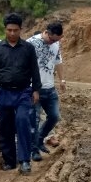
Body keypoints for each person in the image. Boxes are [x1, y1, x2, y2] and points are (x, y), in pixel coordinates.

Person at [0, 13, 41, 175]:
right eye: (9, 30)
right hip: (3, 92)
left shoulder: (28, 49)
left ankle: (24, 161)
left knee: (22, 121)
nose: (12, 33)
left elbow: (34, 70)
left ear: (20, 30)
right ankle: (10, 160)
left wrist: (36, 90)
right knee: (5, 127)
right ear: (5, 30)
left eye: (15, 30)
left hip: (24, 92)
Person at [27, 21, 65, 161]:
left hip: (50, 88)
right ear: (47, 32)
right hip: (34, 88)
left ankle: (40, 139)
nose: (54, 42)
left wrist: (62, 80)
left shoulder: (56, 43)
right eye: (53, 39)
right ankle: (34, 150)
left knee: (54, 116)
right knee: (34, 120)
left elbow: (58, 61)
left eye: (57, 40)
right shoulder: (30, 43)